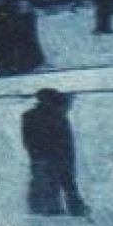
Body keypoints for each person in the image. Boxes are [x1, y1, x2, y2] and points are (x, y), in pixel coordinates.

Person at [22, 88, 89, 217]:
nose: (68, 107)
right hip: (53, 155)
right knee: (63, 181)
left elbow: (28, 139)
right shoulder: (56, 115)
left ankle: (41, 207)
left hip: (45, 156)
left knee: (45, 180)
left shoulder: (32, 115)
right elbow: (62, 139)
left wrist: (36, 153)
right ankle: (67, 208)